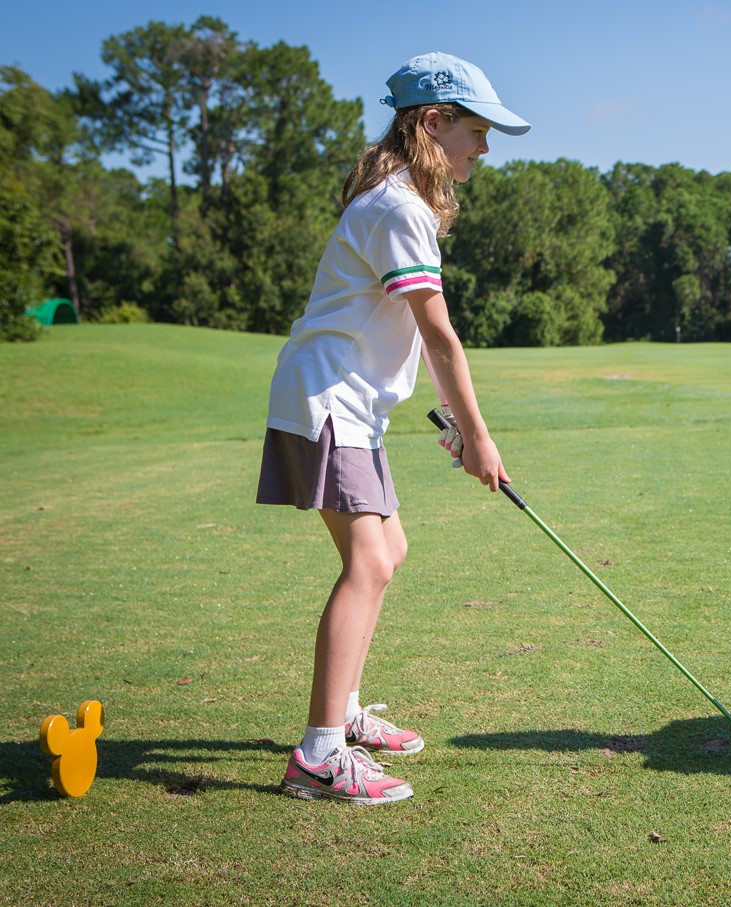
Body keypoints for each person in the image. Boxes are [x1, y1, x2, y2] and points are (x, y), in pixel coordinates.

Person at [256, 52, 530, 804]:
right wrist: (478, 434)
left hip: (347, 407)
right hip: (327, 405)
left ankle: (342, 714)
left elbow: (402, 338)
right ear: (433, 123)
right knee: (370, 563)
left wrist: (448, 421)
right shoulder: (399, 208)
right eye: (477, 131)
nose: (485, 148)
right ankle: (318, 754)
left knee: (389, 548)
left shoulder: (395, 197)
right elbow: (440, 336)